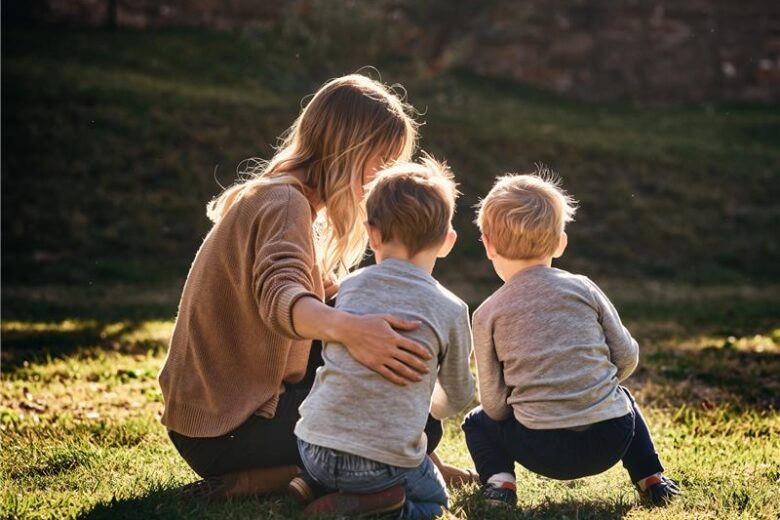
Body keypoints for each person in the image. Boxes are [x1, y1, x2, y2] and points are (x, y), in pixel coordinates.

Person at [158, 74, 448, 499]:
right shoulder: (285, 203)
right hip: (231, 427)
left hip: (212, 423)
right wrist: (355, 332)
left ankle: (320, 471)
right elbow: (283, 299)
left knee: (397, 399)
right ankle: (287, 477)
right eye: (382, 162)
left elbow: (328, 297)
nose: (382, 181)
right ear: (348, 149)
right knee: (420, 420)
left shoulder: (280, 199)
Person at [462, 170, 680, 507]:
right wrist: (591, 388)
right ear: (561, 241)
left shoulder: (487, 313)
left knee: (476, 422)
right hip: (611, 438)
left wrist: (534, 402)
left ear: (487, 244)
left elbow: (492, 403)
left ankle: (500, 484)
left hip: (540, 447)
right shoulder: (584, 288)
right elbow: (626, 357)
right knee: (622, 398)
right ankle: (651, 477)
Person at [289, 157, 476, 518]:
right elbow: (457, 394)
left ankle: (314, 482)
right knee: (434, 503)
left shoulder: (349, 287)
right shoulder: (451, 308)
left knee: (339, 446)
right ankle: (375, 506)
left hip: (311, 446)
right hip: (380, 463)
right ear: (448, 240)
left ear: (372, 233)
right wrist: (431, 406)